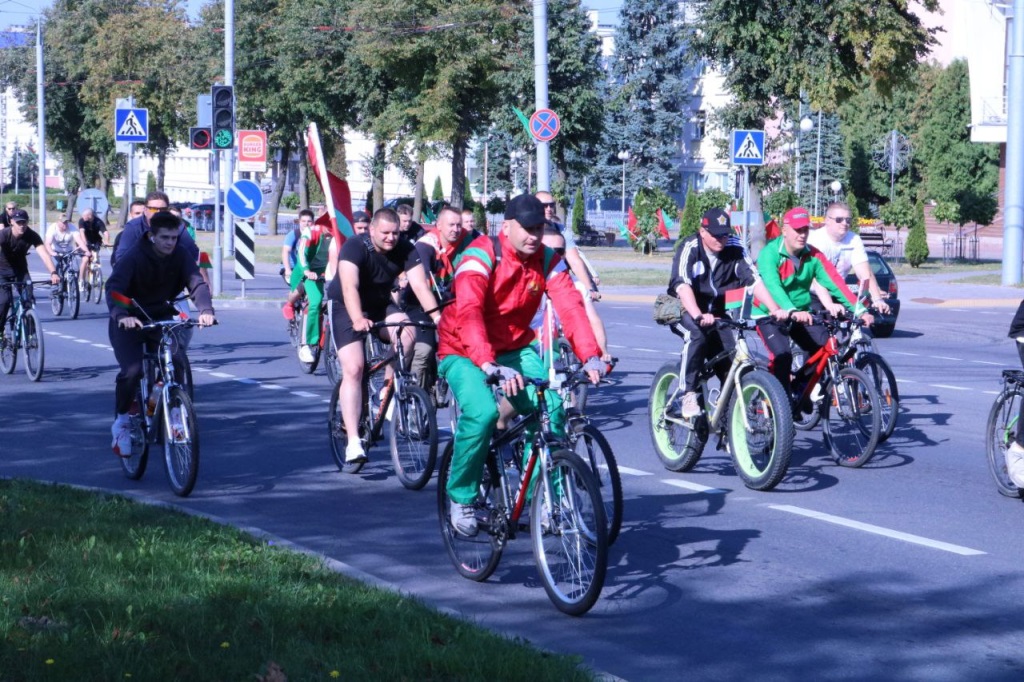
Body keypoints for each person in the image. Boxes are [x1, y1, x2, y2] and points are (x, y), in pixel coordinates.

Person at [438, 194, 604, 537]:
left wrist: (590, 355)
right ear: (507, 226)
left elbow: (570, 307)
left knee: (552, 406)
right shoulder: (480, 255)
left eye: (539, 228)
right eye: (527, 228)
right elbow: (469, 313)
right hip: (463, 348)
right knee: (482, 413)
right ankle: (462, 496)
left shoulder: (547, 259)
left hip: (514, 345)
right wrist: (487, 363)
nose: (533, 235)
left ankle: (542, 498)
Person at [330, 208, 441, 463]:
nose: (391, 238)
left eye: (395, 233)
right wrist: (358, 319)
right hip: (346, 306)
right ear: (372, 230)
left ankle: (386, 389)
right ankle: (353, 441)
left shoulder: (405, 248)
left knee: (408, 332)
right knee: (354, 369)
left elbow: (420, 285)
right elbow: (349, 287)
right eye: (385, 233)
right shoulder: (354, 247)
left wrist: (437, 318)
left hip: (379, 304)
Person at [105, 211, 215, 457]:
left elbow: (196, 283)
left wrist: (206, 310)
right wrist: (122, 316)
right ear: (152, 236)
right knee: (133, 370)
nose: (170, 243)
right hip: (128, 319)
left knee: (176, 362)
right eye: (165, 237)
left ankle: (168, 409)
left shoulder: (180, 255)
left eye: (174, 238)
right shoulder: (134, 256)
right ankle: (122, 422)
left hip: (159, 316)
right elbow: (114, 288)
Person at [667, 208, 790, 417]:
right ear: (703, 231)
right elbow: (682, 286)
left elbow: (753, 281)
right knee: (697, 336)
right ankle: (688, 393)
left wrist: (774, 309)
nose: (721, 240)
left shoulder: (734, 246)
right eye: (716, 235)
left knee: (730, 360)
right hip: (684, 308)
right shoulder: (690, 247)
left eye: (724, 234)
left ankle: (727, 418)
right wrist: (697, 315)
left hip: (716, 312)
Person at [755, 207, 865, 398]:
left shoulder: (814, 255)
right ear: (784, 230)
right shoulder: (769, 253)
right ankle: (781, 404)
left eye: (805, 230)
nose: (802, 234)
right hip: (770, 314)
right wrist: (790, 310)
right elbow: (773, 286)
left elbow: (835, 283)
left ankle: (800, 388)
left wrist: (860, 310)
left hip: (802, 312)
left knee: (824, 348)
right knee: (783, 355)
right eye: (798, 230)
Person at [808, 202, 891, 318]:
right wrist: (829, 304)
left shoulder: (854, 240)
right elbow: (816, 279)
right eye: (839, 220)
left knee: (856, 322)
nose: (844, 223)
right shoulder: (815, 239)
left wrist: (877, 299)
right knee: (819, 327)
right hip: (812, 293)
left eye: (848, 220)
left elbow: (865, 273)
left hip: (838, 293)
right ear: (827, 220)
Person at [0, 209, 60, 336]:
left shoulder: (32, 235)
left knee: (28, 298)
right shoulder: (4, 235)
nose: (22, 225)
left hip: (20, 270)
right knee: (4, 301)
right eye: (19, 223)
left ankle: (30, 333)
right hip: (2, 272)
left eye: (24, 222)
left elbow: (44, 255)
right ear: (11, 222)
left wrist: (53, 272)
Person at [535, 191, 600, 300]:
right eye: (544, 205)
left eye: (551, 205)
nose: (549, 209)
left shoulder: (561, 229)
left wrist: (589, 289)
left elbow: (575, 261)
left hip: (556, 279)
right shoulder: (526, 229)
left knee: (580, 293)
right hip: (532, 280)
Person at [290, 209, 333, 363]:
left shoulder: (340, 235)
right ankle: (306, 344)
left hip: (326, 271)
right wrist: (307, 271)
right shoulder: (311, 232)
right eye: (329, 227)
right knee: (315, 302)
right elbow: (301, 253)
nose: (331, 232)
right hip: (307, 270)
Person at [112, 192, 199, 267]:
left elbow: (193, 253)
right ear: (145, 210)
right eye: (153, 209)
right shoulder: (133, 227)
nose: (158, 212)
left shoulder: (177, 226)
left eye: (162, 209)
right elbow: (121, 258)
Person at [77, 208, 109, 287]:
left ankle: (97, 277)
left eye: (84, 215)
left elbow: (105, 232)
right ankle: (81, 280)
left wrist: (106, 241)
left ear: (90, 215)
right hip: (84, 242)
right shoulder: (82, 221)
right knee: (85, 260)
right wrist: (85, 243)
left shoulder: (98, 222)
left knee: (96, 259)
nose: (83, 217)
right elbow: (82, 232)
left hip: (95, 242)